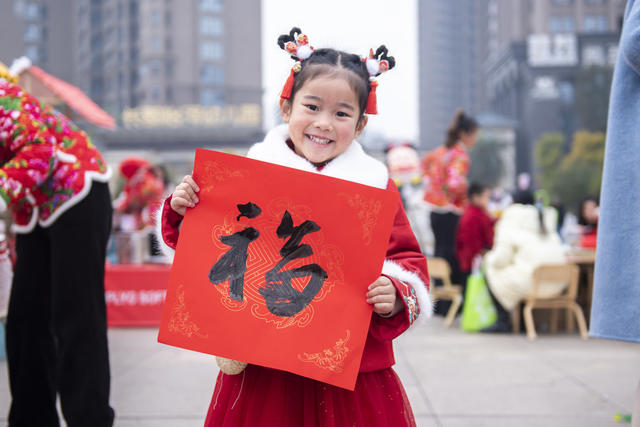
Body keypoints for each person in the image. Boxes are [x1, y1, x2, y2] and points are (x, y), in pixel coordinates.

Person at [156, 27, 431, 427]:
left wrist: (396, 288)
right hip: (265, 370)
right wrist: (184, 210)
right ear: (287, 108)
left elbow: (407, 259)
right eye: (312, 106)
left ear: (359, 127)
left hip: (349, 375)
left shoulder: (373, 189)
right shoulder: (248, 176)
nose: (323, 123)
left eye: (341, 113)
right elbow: (208, 247)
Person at [0, 67, 114, 425]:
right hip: (36, 207)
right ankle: (32, 418)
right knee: (24, 319)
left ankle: (88, 418)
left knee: (76, 316)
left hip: (77, 191)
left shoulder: (4, 98)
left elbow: (38, 150)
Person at [482, 193, 567, 332]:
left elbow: (500, 258)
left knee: (492, 268)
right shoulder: (546, 219)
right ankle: (522, 321)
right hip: (559, 284)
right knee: (520, 270)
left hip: (532, 284)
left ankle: (503, 321)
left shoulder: (511, 220)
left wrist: (488, 258)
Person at [422, 109, 478, 311]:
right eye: (474, 134)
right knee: (452, 255)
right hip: (451, 210)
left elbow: (425, 165)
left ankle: (440, 302)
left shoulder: (439, 152)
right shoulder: (460, 156)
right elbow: (455, 183)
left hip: (434, 208)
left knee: (439, 252)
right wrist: (467, 192)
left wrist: (435, 184)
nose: (475, 138)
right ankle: (451, 303)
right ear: (464, 134)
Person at [456, 182, 495, 294]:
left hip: (474, 260)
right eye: (486, 196)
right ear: (475, 197)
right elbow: (472, 243)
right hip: (473, 263)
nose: (488, 200)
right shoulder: (472, 216)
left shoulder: (478, 212)